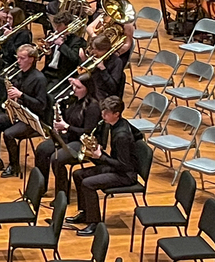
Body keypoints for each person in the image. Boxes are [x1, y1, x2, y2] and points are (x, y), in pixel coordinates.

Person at [68, 96, 138, 236]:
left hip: (125, 175)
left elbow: (124, 165)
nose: (103, 115)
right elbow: (139, 135)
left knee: (88, 183)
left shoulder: (122, 135)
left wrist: (101, 157)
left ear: (116, 114)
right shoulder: (116, 124)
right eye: (103, 112)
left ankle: (94, 223)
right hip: (116, 168)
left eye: (106, 113)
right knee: (78, 174)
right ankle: (85, 212)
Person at [34, 74, 101, 200]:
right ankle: (40, 188)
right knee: (42, 150)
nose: (74, 89)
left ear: (88, 88)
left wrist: (66, 127)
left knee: (56, 158)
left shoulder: (93, 107)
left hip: (83, 143)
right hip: (69, 136)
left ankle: (62, 195)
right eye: (74, 85)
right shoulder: (73, 100)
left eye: (78, 87)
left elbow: (88, 131)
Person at [0, 44, 49, 178]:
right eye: (18, 58)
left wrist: (21, 95)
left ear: (31, 59)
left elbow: (41, 105)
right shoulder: (21, 74)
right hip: (19, 113)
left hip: (32, 118)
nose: (18, 61)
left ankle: (14, 166)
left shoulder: (39, 79)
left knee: (8, 134)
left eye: (22, 58)